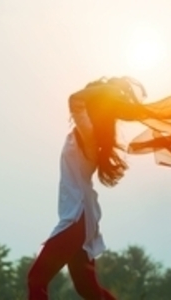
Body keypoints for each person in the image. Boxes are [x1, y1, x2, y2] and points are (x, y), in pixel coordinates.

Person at [27, 76, 171, 300]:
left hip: (77, 218)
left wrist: (106, 90)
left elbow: (75, 100)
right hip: (81, 218)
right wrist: (106, 91)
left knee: (37, 279)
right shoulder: (89, 135)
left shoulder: (88, 133)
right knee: (89, 291)